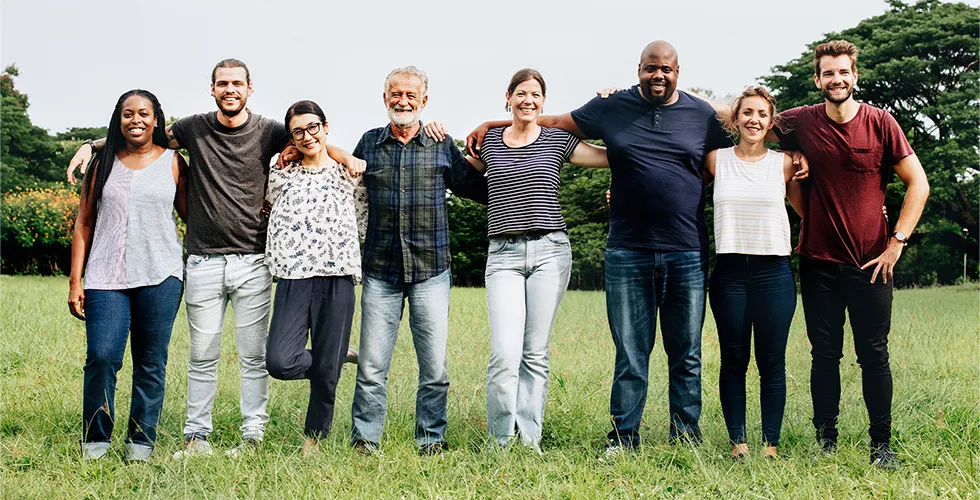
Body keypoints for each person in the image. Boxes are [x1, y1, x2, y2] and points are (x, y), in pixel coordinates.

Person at [66, 58, 362, 459]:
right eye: (223, 83)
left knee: (254, 356)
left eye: (237, 83)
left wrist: (345, 157)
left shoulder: (271, 132)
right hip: (202, 260)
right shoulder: (193, 127)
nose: (230, 90)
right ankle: (196, 437)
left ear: (249, 88)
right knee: (202, 356)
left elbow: (313, 143)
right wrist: (91, 145)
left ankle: (252, 436)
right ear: (212, 89)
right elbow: (143, 133)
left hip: (254, 260)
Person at [468, 41, 735, 456]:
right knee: (631, 353)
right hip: (627, 248)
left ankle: (686, 439)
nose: (658, 75)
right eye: (650, 68)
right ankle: (623, 439)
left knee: (687, 353)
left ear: (678, 71)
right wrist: (491, 123)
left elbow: (742, 143)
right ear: (639, 69)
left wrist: (793, 162)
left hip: (687, 248)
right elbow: (552, 121)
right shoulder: (611, 106)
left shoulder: (700, 115)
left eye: (666, 69)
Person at [427, 68, 608, 451]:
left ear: (544, 102)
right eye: (521, 93)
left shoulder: (560, 139)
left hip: (550, 252)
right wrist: (435, 137)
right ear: (507, 98)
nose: (529, 100)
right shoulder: (490, 141)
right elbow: (455, 173)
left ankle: (530, 441)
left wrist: (612, 108)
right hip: (503, 256)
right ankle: (500, 442)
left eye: (536, 95)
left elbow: (613, 157)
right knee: (505, 354)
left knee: (535, 353)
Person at [770, 40, 930, 470]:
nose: (836, 79)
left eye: (843, 72)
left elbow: (919, 183)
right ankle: (827, 442)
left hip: (873, 262)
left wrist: (897, 242)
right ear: (817, 79)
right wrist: (790, 156)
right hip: (818, 261)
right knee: (824, 355)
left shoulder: (881, 123)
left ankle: (881, 446)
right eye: (828, 73)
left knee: (874, 354)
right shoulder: (800, 121)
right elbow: (744, 121)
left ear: (854, 76)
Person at [347, 66, 488, 456]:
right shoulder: (369, 143)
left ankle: (431, 440)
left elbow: (474, 186)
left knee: (434, 369)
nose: (403, 101)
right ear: (385, 98)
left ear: (424, 101)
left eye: (411, 95)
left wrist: (508, 156)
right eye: (396, 94)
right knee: (372, 366)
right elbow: (344, 181)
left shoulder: (441, 144)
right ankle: (365, 441)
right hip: (380, 269)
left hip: (431, 270)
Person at [68, 89, 187, 462]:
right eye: (127, 114)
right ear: (118, 120)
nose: (135, 120)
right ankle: (96, 440)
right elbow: (84, 222)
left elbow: (192, 217)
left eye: (144, 113)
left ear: (156, 119)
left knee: (151, 361)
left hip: (161, 273)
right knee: (102, 356)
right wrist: (76, 280)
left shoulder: (173, 162)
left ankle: (140, 443)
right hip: (106, 276)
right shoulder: (103, 163)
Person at [702, 86, 803, 460]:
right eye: (747, 113)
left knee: (772, 361)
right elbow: (677, 189)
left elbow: (809, 211)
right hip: (729, 273)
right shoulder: (715, 160)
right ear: (735, 118)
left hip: (773, 271)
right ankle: (738, 443)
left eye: (762, 114)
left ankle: (770, 445)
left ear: (770, 121)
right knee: (734, 360)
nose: (754, 120)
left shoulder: (785, 164)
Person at [264, 100, 367, 455]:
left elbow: (362, 219)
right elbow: (269, 210)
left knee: (326, 373)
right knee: (279, 360)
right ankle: (335, 355)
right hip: (293, 276)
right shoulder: (280, 172)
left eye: (313, 128)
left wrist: (342, 156)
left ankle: (314, 438)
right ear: (290, 139)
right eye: (298, 132)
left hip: (337, 275)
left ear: (325, 126)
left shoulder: (350, 172)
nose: (307, 136)